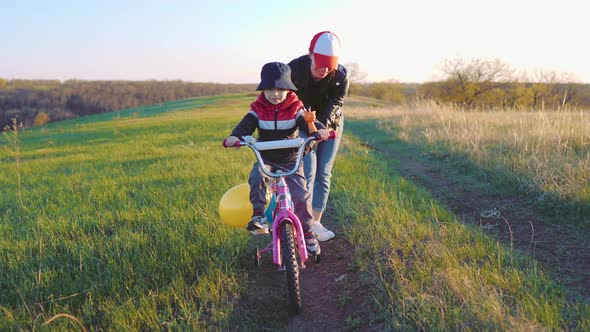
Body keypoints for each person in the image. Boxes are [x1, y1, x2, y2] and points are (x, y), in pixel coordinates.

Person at [224, 62, 330, 255]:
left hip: (291, 158)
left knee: (301, 194)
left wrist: (320, 130)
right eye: (270, 89)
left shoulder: (295, 107)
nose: (275, 94)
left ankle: (307, 232)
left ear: (288, 89)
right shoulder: (257, 109)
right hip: (267, 159)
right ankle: (259, 216)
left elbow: (309, 123)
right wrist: (235, 137)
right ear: (263, 89)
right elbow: (244, 127)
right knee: (256, 177)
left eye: (280, 89)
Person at [288, 31, 349, 242]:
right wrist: (312, 126)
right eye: (318, 65)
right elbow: (290, 102)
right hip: (304, 121)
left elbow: (335, 104)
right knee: (308, 170)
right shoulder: (293, 70)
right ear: (310, 54)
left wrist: (323, 128)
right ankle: (303, 222)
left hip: (331, 124)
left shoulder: (341, 75)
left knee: (324, 171)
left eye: (328, 66)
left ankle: (316, 222)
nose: (323, 70)